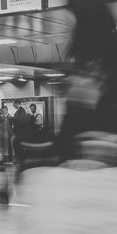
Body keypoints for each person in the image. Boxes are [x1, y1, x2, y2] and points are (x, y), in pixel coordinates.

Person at [57, 0, 117, 162]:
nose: (67, 29)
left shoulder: (96, 70)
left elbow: (74, 127)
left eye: (72, 23)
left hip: (98, 172)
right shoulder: (86, 69)